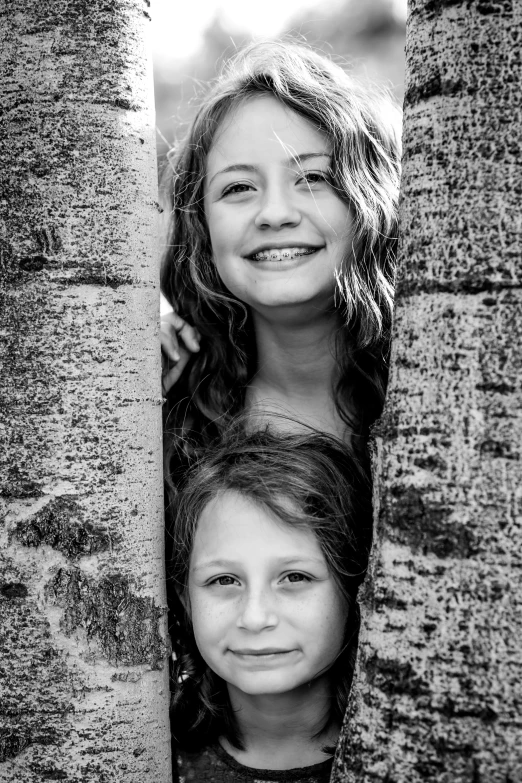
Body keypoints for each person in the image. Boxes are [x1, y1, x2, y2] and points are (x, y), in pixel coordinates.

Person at [159, 39, 401, 460]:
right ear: (201, 225)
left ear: (370, 199)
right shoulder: (172, 425)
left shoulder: (439, 387)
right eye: (238, 187)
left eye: (311, 178)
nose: (274, 214)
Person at [168, 425, 372, 782]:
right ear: (186, 599)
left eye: (295, 577)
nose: (255, 617)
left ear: (357, 589)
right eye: (224, 580)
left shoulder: (398, 752)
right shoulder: (152, 758)